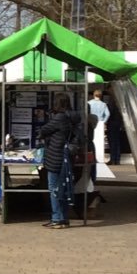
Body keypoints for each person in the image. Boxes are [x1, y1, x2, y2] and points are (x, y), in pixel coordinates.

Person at [38, 96, 78, 229]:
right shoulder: (72, 117)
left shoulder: (59, 117)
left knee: (54, 188)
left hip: (56, 156)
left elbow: (43, 130)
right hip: (66, 157)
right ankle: (64, 218)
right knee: (63, 188)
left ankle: (56, 219)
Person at [87, 90, 111, 163]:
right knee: (99, 142)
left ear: (94, 95)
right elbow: (108, 114)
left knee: (91, 140)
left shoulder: (89, 103)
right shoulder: (103, 104)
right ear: (101, 96)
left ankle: (93, 156)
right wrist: (103, 121)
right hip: (99, 123)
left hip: (90, 122)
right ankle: (100, 157)